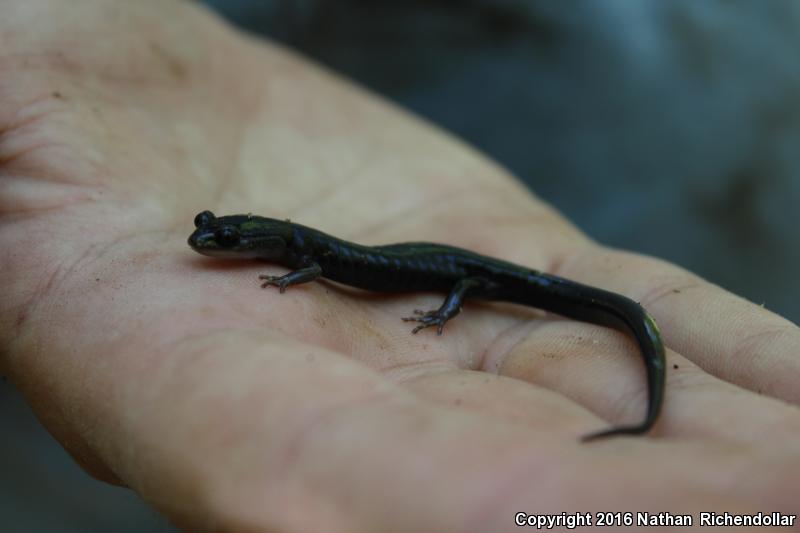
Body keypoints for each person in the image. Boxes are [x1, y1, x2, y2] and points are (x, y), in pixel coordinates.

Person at [1, 1, 797, 531]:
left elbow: (316, 268)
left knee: (593, 297)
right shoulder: (293, 241)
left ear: (259, 241)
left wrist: (433, 307)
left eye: (221, 238)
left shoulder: (300, 251)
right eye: (213, 237)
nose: (211, 244)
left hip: (686, 86)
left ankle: (634, 344)